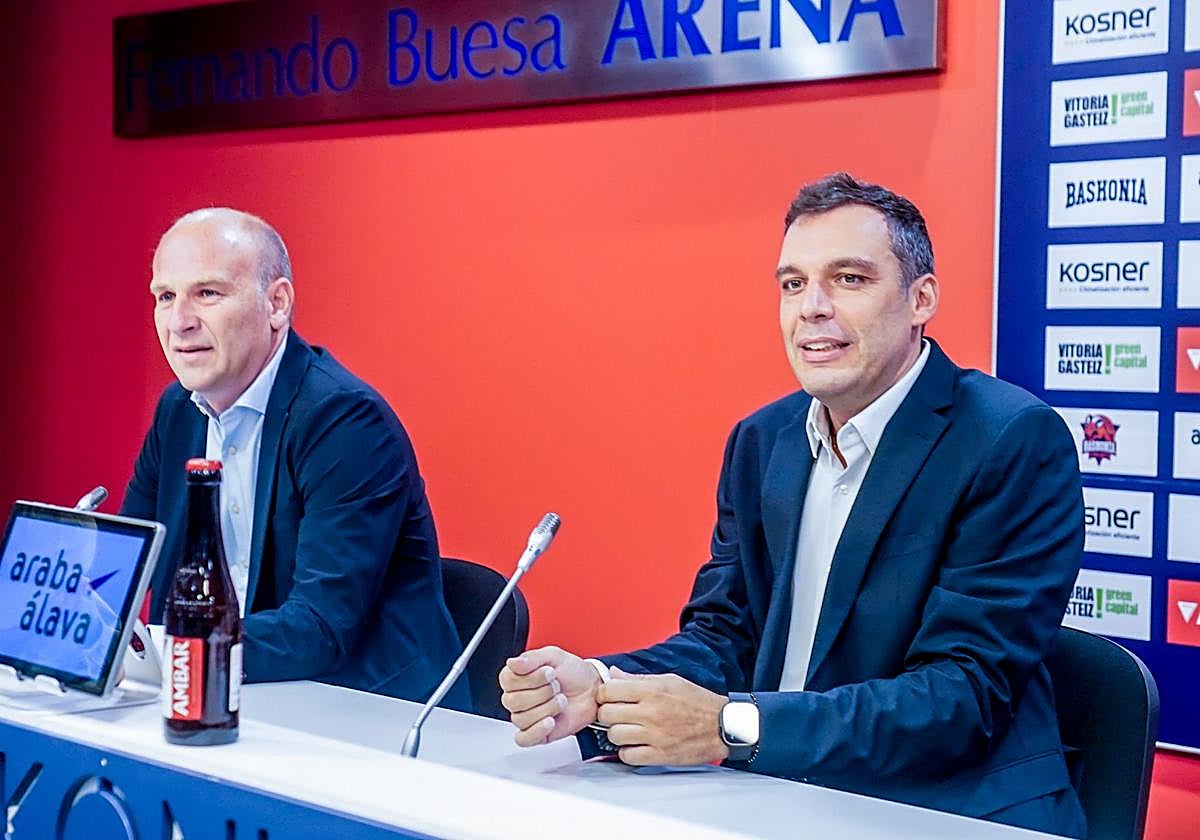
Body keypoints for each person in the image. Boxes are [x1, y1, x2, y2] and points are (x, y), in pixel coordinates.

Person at [499, 174, 1086, 837]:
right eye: (793, 283)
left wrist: (731, 726)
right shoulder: (763, 440)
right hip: (780, 796)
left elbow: (965, 695)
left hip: (946, 808)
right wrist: (602, 686)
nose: (812, 308)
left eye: (849, 279)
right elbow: (724, 638)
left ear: (921, 299)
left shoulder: (1008, 439)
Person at [122, 208, 468, 710]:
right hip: (238, 692)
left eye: (208, 293)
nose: (180, 322)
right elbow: (129, 565)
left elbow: (320, 628)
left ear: (276, 303)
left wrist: (173, 651)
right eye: (165, 297)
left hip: (370, 714)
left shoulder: (344, 421)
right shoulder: (177, 411)